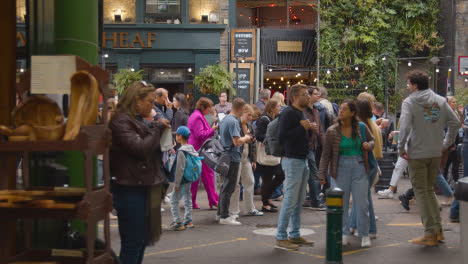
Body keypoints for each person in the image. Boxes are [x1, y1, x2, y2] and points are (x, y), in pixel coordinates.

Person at [109, 81, 170, 264]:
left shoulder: (134, 121)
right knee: (133, 243)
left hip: (141, 187)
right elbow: (140, 148)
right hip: (129, 190)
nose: (152, 106)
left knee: (141, 241)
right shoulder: (120, 121)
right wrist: (157, 128)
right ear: (137, 100)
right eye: (150, 102)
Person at [398, 70, 460, 245]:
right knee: (429, 191)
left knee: (421, 192)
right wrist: (445, 144)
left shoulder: (409, 102)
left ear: (415, 85)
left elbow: (404, 128)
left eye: (408, 83)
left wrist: (400, 148)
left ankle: (430, 234)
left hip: (416, 153)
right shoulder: (440, 100)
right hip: (435, 152)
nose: (407, 86)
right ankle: (437, 230)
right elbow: (455, 122)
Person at [319, 99, 374, 248]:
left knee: (362, 203)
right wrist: (322, 174)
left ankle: (364, 234)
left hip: (359, 166)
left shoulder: (361, 127)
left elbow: (372, 140)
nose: (340, 111)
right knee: (341, 204)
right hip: (339, 167)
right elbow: (326, 155)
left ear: (353, 112)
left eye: (344, 109)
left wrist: (369, 145)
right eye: (340, 109)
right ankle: (343, 233)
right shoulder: (332, 131)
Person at [276, 84, 315, 251]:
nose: (309, 97)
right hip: (292, 160)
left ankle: (295, 234)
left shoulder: (300, 112)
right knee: (290, 200)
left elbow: (298, 136)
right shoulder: (289, 113)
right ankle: (281, 236)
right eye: (305, 94)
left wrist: (308, 129)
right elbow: (282, 136)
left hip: (301, 159)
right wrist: (303, 127)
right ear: (295, 97)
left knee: (298, 201)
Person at [350, 98, 383, 239]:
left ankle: (369, 229)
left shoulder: (361, 126)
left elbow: (371, 145)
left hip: (366, 166)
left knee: (362, 197)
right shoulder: (370, 124)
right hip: (369, 165)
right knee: (361, 196)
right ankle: (353, 224)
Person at [217, 98, 254, 225]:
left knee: (224, 186)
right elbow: (237, 141)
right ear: (239, 109)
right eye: (243, 109)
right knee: (229, 187)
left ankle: (220, 213)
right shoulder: (233, 121)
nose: (243, 112)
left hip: (225, 155)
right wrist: (246, 138)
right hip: (233, 157)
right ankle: (224, 216)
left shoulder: (225, 119)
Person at [229, 104, 264, 218]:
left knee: (250, 182)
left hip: (246, 157)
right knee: (236, 185)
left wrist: (253, 159)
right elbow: (235, 141)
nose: (251, 118)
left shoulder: (249, 125)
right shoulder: (235, 123)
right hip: (236, 157)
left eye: (251, 115)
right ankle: (234, 210)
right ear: (242, 113)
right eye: (249, 115)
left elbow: (253, 143)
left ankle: (250, 208)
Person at [187, 97, 219, 209]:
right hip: (199, 151)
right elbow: (200, 135)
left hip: (197, 150)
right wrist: (212, 129)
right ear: (204, 107)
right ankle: (213, 201)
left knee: (196, 177)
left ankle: (192, 202)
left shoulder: (196, 115)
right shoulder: (197, 117)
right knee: (208, 176)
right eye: (209, 108)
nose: (209, 110)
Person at [255, 99, 285, 213]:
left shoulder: (273, 118)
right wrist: (272, 139)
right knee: (268, 178)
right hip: (266, 154)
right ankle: (265, 203)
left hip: (272, 154)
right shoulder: (264, 119)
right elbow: (259, 136)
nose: (280, 108)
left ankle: (267, 198)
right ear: (272, 108)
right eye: (278, 106)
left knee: (280, 175)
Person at [168, 126, 199, 231]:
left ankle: (178, 222)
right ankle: (188, 220)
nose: (176, 137)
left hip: (181, 179)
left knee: (173, 200)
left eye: (176, 135)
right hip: (189, 178)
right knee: (187, 198)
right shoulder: (191, 148)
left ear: (180, 136)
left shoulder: (181, 151)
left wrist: (176, 185)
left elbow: (179, 169)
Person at [302, 87, 325, 209]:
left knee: (309, 173)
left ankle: (310, 199)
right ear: (309, 96)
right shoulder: (304, 111)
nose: (319, 96)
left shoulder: (316, 110)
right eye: (316, 94)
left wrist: (325, 146)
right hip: (305, 146)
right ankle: (315, 201)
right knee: (313, 173)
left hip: (313, 146)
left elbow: (320, 130)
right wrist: (310, 128)